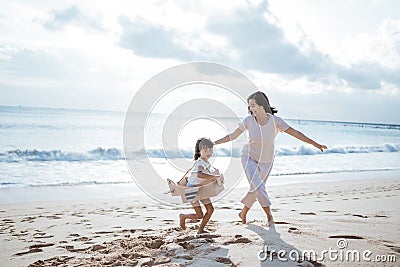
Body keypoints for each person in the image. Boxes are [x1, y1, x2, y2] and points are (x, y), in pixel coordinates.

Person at [213, 91, 327, 226]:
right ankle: (269, 217)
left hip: (267, 162)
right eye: (249, 106)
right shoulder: (248, 120)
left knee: (256, 189)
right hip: (249, 157)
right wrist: (214, 143)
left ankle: (243, 212)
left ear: (262, 105)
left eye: (253, 105)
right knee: (259, 187)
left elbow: (295, 133)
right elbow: (233, 135)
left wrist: (315, 144)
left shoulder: (275, 121)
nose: (251, 109)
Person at [179, 138, 224, 234]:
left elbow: (206, 177)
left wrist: (216, 177)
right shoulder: (200, 163)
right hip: (192, 190)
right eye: (205, 150)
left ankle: (200, 230)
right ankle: (183, 216)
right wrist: (215, 177)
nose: (209, 152)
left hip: (201, 189)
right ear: (199, 151)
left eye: (210, 150)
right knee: (199, 215)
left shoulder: (206, 162)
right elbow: (200, 174)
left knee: (210, 209)